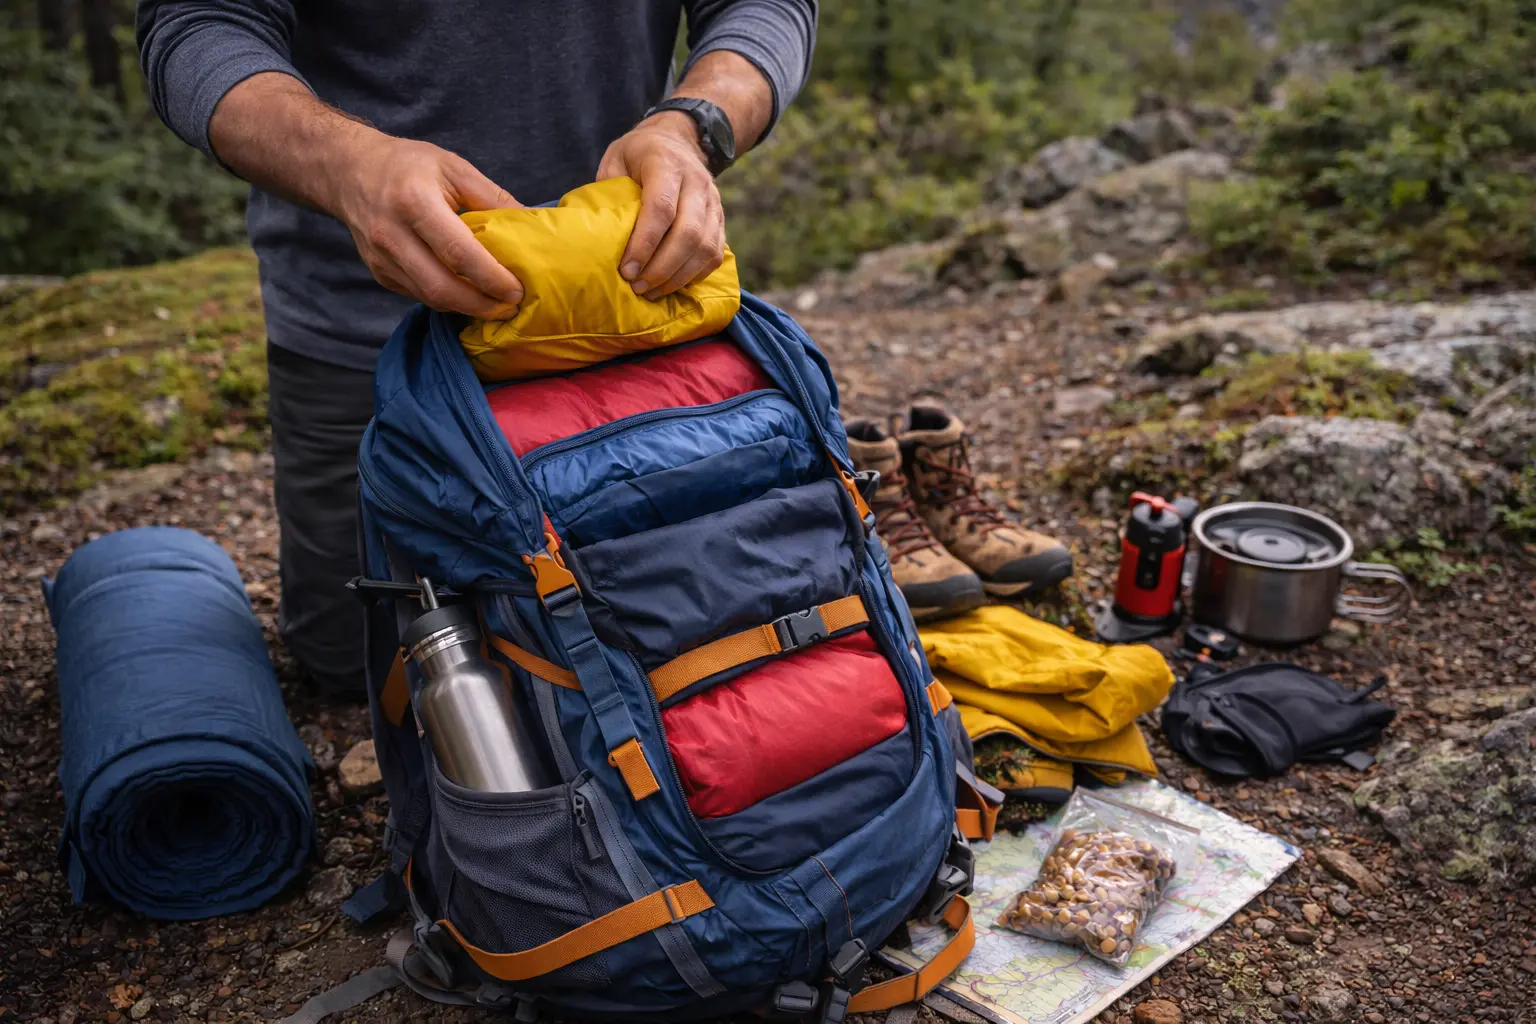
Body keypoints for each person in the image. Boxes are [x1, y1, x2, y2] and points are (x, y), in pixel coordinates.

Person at [136, 1, 818, 698]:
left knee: (677, 641)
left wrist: (693, 123)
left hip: (631, 322)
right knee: (355, 670)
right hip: (363, 342)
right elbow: (197, 25)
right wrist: (348, 165)